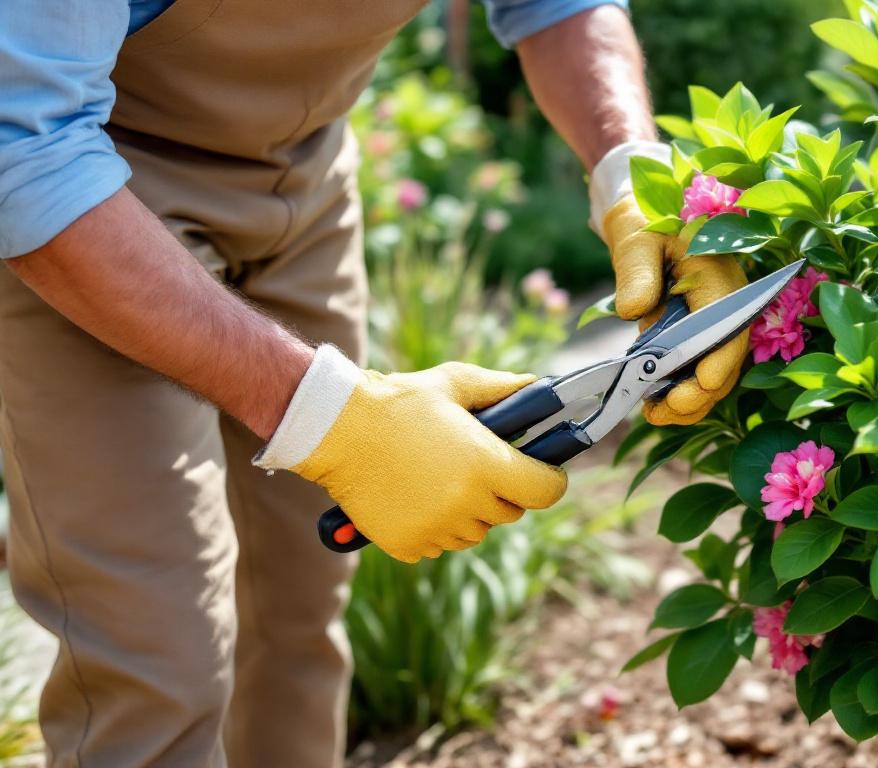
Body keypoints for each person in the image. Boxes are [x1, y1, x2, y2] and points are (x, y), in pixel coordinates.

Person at [0, 1, 748, 765]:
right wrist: (331, 418)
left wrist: (633, 178)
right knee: (153, 661)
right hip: (88, 214)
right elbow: (21, 148)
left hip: (305, 177)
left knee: (299, 614)